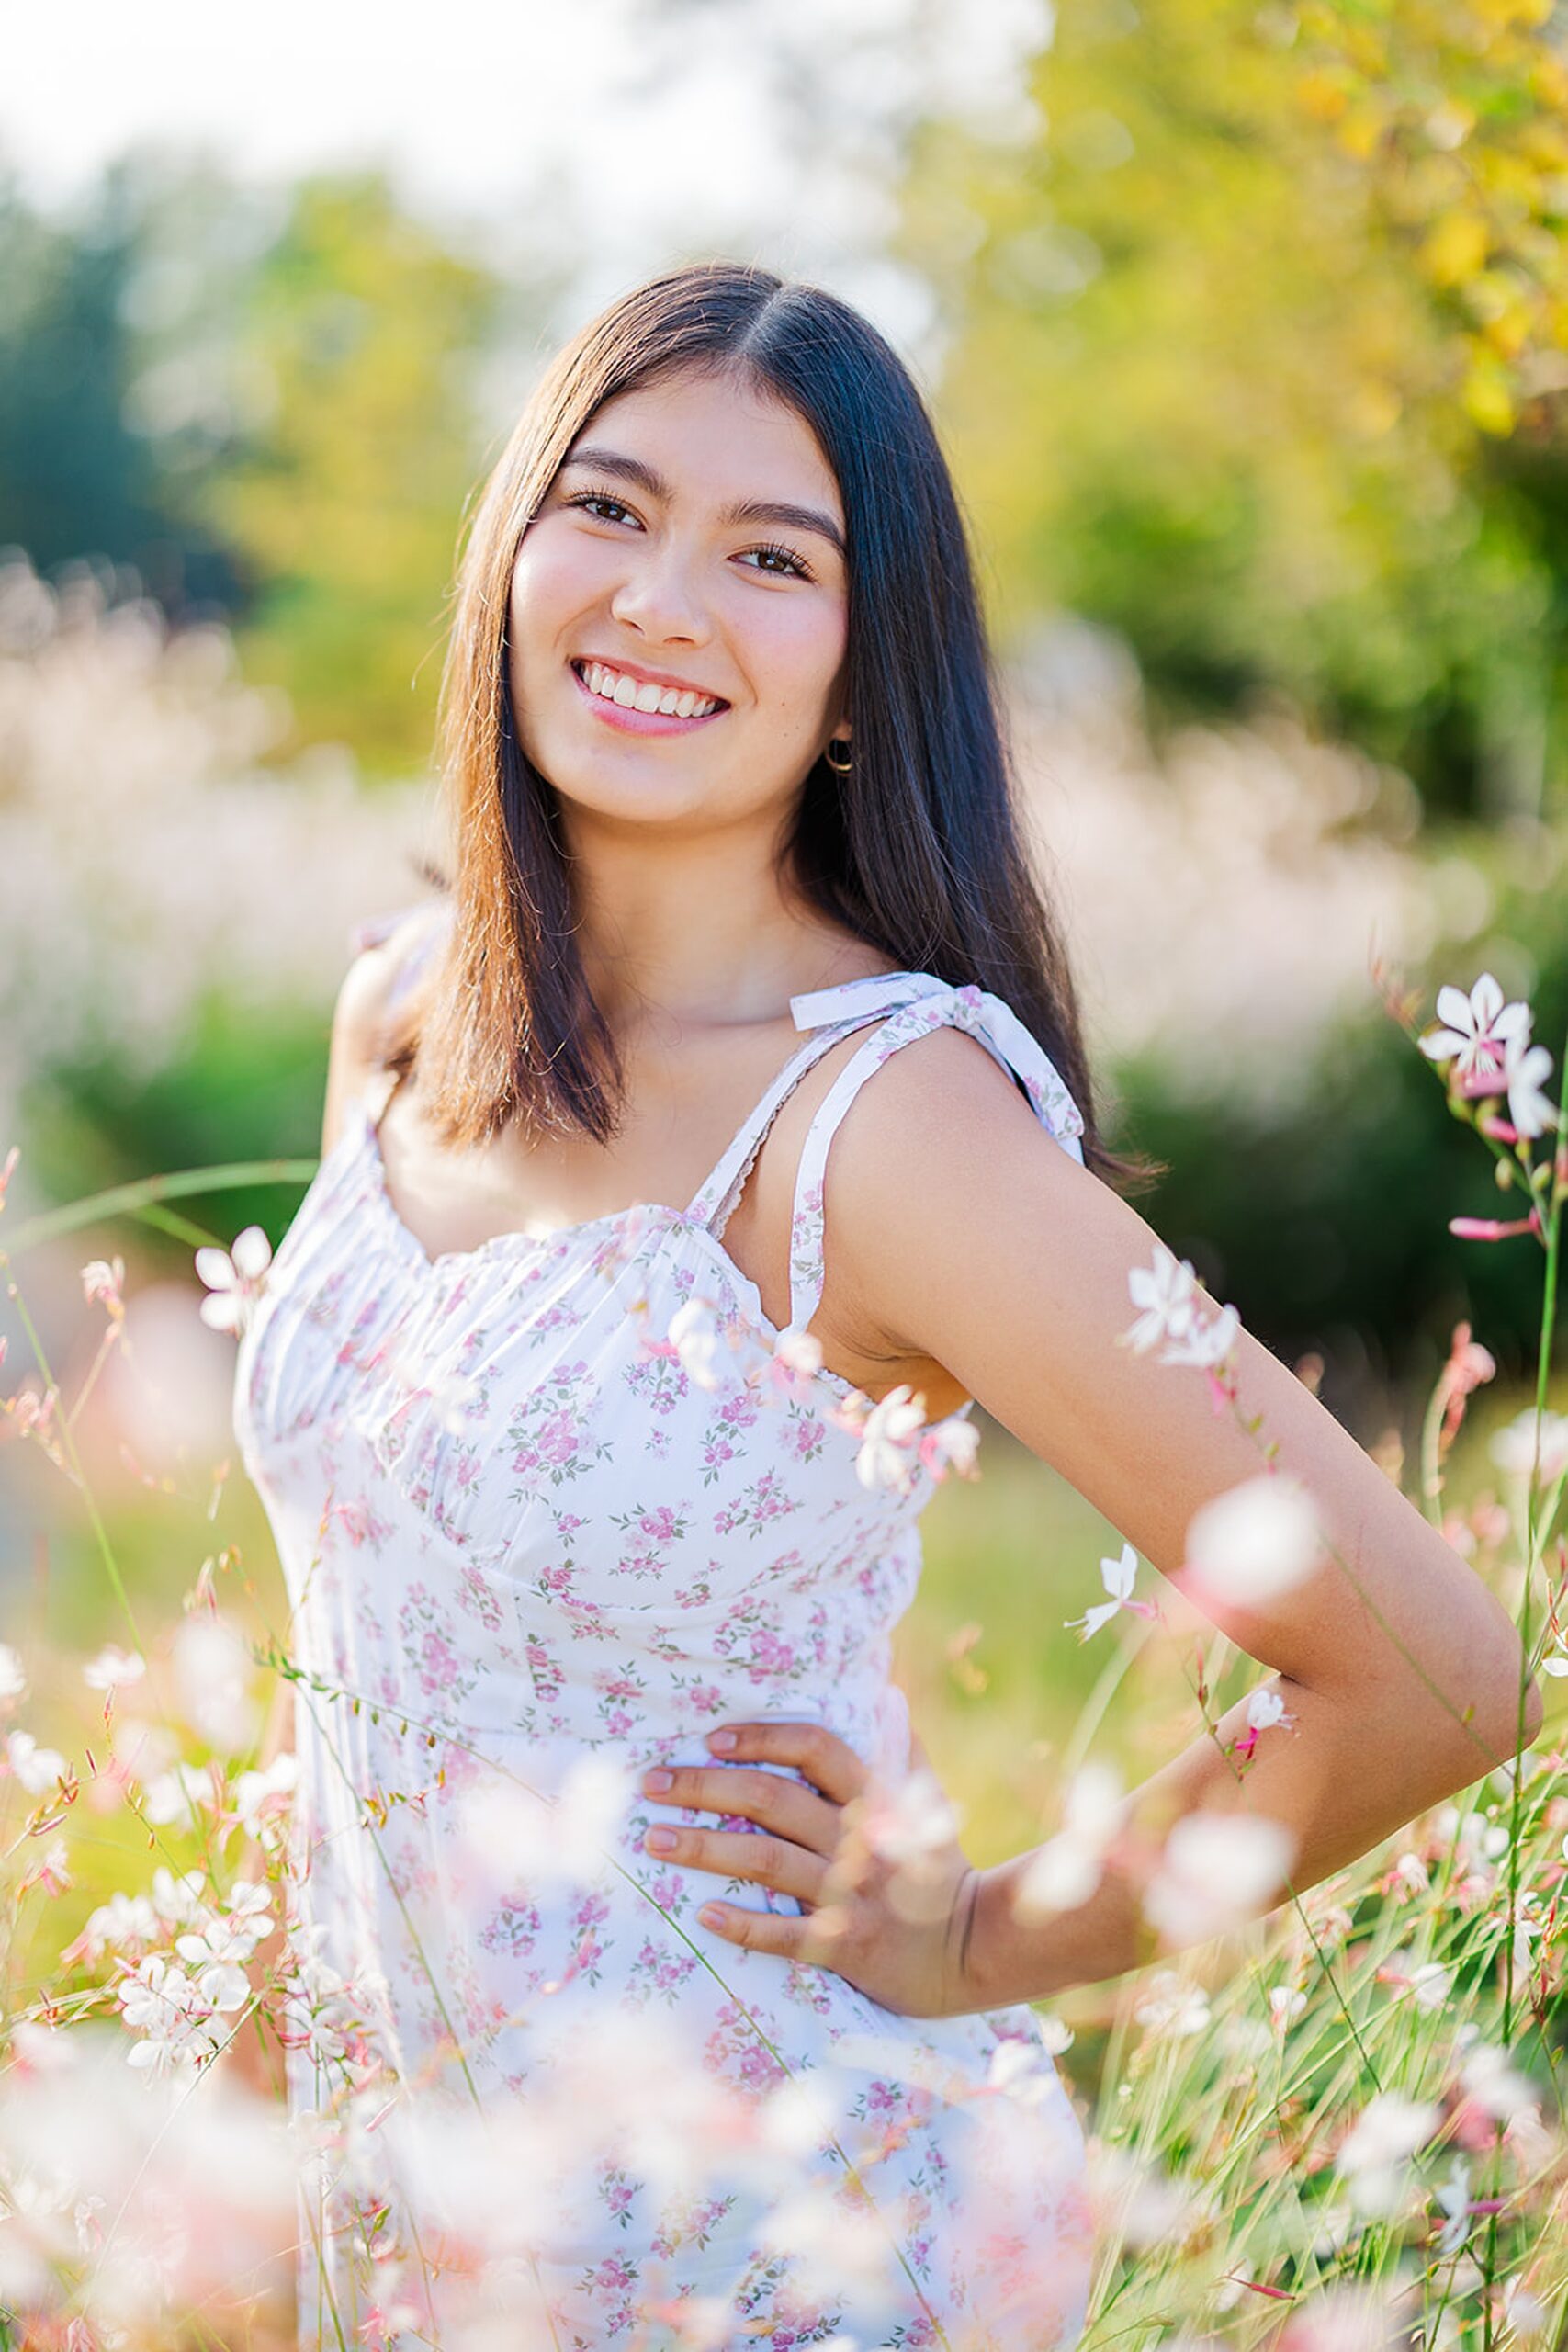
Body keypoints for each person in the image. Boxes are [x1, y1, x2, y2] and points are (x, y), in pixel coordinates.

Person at [232, 260, 1540, 2351]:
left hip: (776, 2243)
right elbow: (350, 1649)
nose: (660, 598)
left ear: (859, 672)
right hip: (412, 2218)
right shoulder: (400, 1008)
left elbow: (1428, 1666)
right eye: (608, 506)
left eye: (770, 554)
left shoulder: (880, 1125)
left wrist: (978, 1928)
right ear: (506, 557)